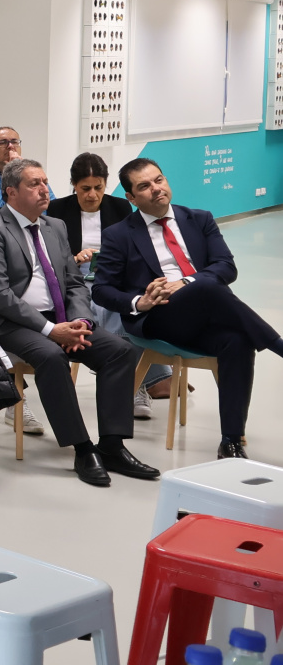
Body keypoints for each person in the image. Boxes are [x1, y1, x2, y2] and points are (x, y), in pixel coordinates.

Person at [0, 159, 156, 487]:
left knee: (120, 351)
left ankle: (111, 444)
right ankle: (82, 448)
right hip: (11, 322)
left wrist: (79, 320)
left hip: (62, 319)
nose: (44, 190)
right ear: (11, 192)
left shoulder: (54, 226)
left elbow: (73, 283)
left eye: (45, 182)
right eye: (34, 184)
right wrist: (51, 330)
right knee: (52, 357)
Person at [94, 160, 283, 460]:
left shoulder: (198, 218)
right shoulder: (120, 234)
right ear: (131, 198)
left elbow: (226, 266)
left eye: (159, 180)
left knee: (237, 340)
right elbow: (102, 289)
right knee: (208, 286)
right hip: (158, 316)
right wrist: (139, 302)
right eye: (144, 186)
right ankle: (278, 345)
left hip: (206, 312)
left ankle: (231, 442)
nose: (156, 188)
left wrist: (186, 282)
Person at [46, 153, 164, 417]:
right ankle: (137, 380)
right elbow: (53, 256)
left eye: (98, 187)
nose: (92, 194)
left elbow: (132, 249)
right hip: (75, 277)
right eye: (85, 188)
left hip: (111, 274)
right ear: (73, 185)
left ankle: (136, 383)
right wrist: (75, 259)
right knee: (101, 306)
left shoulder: (120, 207)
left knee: (127, 306)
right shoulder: (57, 210)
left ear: (106, 184)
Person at [0, 127, 54, 222]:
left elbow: (53, 206)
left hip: (37, 232)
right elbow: (13, 210)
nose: (10, 146)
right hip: (0, 235)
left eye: (14, 141)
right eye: (2, 142)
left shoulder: (33, 175)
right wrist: (15, 170)